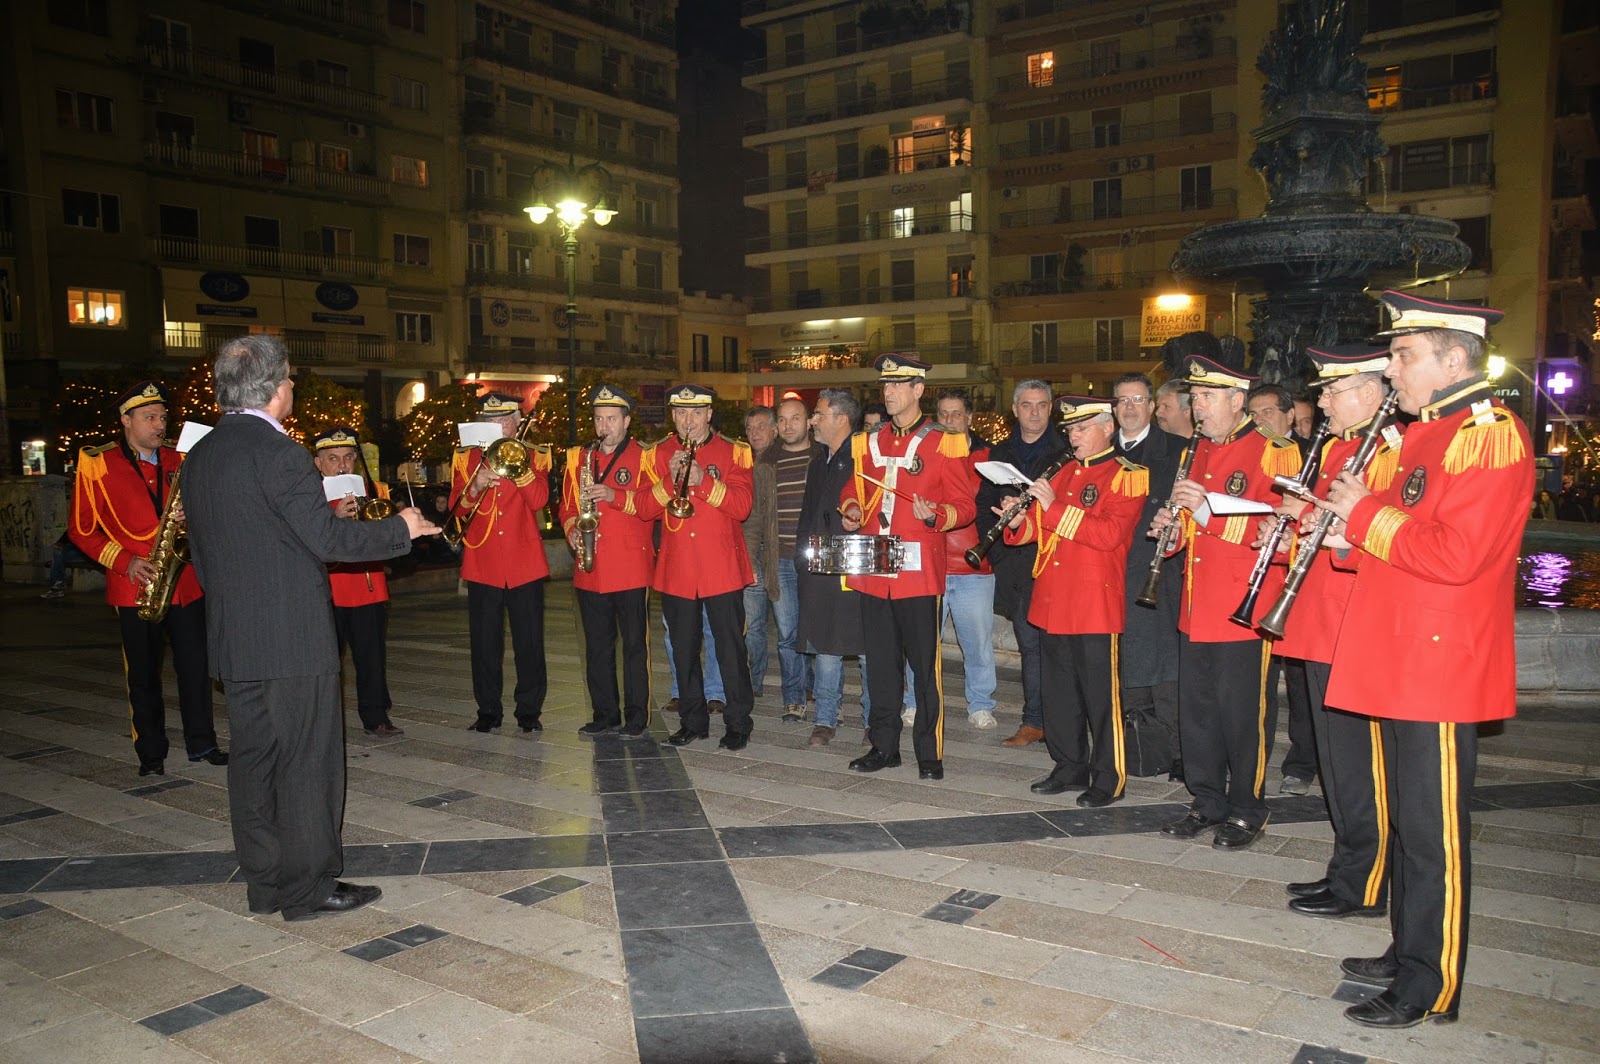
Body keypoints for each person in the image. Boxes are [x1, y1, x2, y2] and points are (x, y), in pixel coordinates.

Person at [1321, 292, 1531, 1028]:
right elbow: (1395, 544)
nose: (1392, 369)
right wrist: (1347, 534)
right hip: (1401, 656)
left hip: (1438, 666)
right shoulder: (1424, 436)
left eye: (1404, 357)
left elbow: (1458, 556)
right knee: (1411, 822)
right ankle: (1408, 946)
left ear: (1453, 359)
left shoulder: (1486, 435)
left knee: (1434, 833)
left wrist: (1364, 515)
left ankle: (1429, 983)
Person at [182, 335, 437, 920]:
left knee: (253, 763)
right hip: (292, 639)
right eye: (291, 379)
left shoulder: (202, 453)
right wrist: (402, 528)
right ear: (273, 389)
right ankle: (309, 888)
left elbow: (201, 549)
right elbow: (329, 540)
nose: (293, 387)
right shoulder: (278, 453)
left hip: (234, 637)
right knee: (307, 763)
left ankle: (267, 883)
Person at [1269, 345, 1397, 922]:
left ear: (1369, 395)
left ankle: (1366, 882)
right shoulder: (1340, 447)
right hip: (1320, 619)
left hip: (1352, 621)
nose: (1319, 401)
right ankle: (1346, 869)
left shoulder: (1386, 449)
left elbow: (1380, 534)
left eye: (1331, 391)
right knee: (1335, 760)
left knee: (1358, 762)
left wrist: (1333, 528)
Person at [1152, 355, 1301, 850]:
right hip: (1197, 604)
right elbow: (1187, 530)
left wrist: (1206, 516)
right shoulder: (1194, 452)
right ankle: (1208, 798)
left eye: (1208, 398)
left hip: (1245, 605)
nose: (1198, 408)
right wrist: (1169, 533)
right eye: (1195, 398)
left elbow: (1279, 531)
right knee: (1197, 712)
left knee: (1242, 714)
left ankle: (1247, 807)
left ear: (1238, 401)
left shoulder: (1274, 451)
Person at [70, 380, 226, 776]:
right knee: (142, 674)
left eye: (162, 417)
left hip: (186, 581)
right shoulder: (98, 462)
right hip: (136, 583)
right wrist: (125, 562)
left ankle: (202, 743)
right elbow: (82, 530)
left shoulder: (180, 457)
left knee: (196, 666)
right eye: (150, 418)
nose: (160, 425)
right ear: (126, 420)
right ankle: (151, 752)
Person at [999, 396, 1147, 806]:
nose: (1073, 436)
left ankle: (1108, 776)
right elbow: (1043, 530)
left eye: (1081, 428)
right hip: (1052, 597)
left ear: (1107, 427)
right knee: (1058, 691)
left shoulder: (1127, 475)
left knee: (1100, 696)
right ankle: (1069, 764)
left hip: (1093, 601)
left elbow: (1107, 536)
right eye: (1070, 430)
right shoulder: (1062, 471)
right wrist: (1017, 521)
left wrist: (1051, 505)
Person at [840, 354, 978, 780]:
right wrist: (848, 508)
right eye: (886, 386)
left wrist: (935, 515)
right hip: (873, 568)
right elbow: (853, 488)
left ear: (919, 390)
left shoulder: (945, 442)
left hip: (919, 574)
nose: (889, 393)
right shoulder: (867, 441)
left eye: (898, 386)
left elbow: (965, 506)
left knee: (924, 667)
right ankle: (884, 747)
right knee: (880, 665)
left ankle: (929, 753)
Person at [637, 383, 756, 749]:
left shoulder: (735, 451)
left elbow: (741, 507)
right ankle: (693, 721)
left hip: (721, 567)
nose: (688, 421)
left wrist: (702, 481)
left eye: (696, 413)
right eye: (681, 413)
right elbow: (642, 508)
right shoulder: (657, 453)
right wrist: (666, 481)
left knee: (730, 649)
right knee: (684, 650)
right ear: (673, 416)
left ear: (709, 415)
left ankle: (738, 723)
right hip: (677, 570)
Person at [449, 392, 552, 735]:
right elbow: (457, 510)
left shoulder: (535, 455)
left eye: (504, 421)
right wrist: (475, 485)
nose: (497, 427)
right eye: (490, 421)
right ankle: (488, 710)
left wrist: (519, 469)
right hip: (483, 560)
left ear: (517, 423)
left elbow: (539, 501)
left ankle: (529, 710)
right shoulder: (466, 459)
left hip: (524, 562)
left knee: (530, 642)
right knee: (484, 643)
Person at [558, 385, 656, 739]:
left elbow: (651, 506)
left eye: (612, 419)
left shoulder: (645, 457)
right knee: (596, 647)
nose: (604, 427)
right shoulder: (579, 458)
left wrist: (614, 495)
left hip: (630, 568)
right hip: (591, 569)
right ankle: (604, 714)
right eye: (599, 419)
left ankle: (636, 717)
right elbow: (567, 506)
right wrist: (571, 528)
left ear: (627, 421)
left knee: (633, 647)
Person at [977, 380, 1066, 748]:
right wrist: (997, 551)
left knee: (1049, 645)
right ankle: (1037, 721)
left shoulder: (1068, 452)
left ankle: (1050, 721)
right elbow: (984, 507)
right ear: (1015, 409)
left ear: (1050, 408)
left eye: (1041, 405)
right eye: (1027, 405)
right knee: (1029, 642)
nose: (1034, 412)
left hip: (1054, 560)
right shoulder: (999, 452)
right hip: (1015, 562)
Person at [903, 389, 997, 730]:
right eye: (942, 414)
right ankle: (914, 701)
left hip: (974, 567)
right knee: (922, 642)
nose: (949, 420)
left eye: (956, 414)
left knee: (979, 645)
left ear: (969, 417)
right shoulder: (924, 452)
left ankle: (981, 704)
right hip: (931, 564)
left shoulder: (988, 457)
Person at [1111, 373, 1184, 778]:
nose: (1130, 407)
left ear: (1152, 406)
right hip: (1110, 573)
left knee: (1163, 669)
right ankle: (1133, 744)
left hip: (1157, 575)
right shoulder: (1101, 451)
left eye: (1138, 399)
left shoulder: (1177, 451)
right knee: (1123, 665)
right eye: (1122, 400)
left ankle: (1176, 751)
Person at [312, 425, 403, 738]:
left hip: (368, 586)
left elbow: (389, 535)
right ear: (318, 463)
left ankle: (376, 716)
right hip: (328, 590)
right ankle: (325, 721)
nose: (341, 464)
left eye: (348, 457)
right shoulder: (309, 495)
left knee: (372, 657)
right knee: (325, 663)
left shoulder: (376, 489)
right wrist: (333, 516)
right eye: (333, 458)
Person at [1249, 383, 1317, 794]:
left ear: (1290, 416)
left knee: (1301, 679)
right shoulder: (1248, 453)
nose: (1260, 420)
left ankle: (1302, 762)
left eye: (1268, 412)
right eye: (1253, 413)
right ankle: (1256, 752)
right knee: (1259, 680)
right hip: (1260, 576)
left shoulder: (1313, 455)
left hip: (1299, 580)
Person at [795, 389, 871, 746]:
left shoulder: (865, 457)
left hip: (857, 562)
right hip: (823, 565)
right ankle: (825, 719)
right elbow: (809, 518)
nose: (813, 421)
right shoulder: (818, 461)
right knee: (826, 641)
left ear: (841, 418)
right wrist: (802, 559)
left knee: (869, 643)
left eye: (818, 414)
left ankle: (875, 718)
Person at [772, 396, 820, 722]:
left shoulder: (824, 457)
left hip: (815, 559)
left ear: (808, 422)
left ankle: (817, 689)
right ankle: (793, 698)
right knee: (788, 633)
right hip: (780, 560)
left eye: (795, 418)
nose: (789, 425)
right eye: (783, 419)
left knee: (818, 630)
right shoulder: (766, 463)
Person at [742, 405, 779, 697]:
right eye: (750, 428)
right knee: (753, 625)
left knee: (790, 627)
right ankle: (754, 682)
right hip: (753, 553)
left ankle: (800, 688)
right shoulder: (743, 463)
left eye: (761, 426)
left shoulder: (789, 459)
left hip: (784, 554)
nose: (755, 433)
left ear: (775, 429)